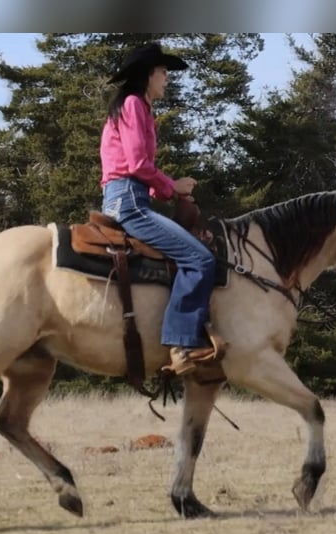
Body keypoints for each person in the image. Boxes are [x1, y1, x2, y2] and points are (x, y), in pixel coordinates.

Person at [100, 42, 216, 376]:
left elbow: (131, 166)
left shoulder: (132, 106)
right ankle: (181, 344)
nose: (167, 78)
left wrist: (168, 191)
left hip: (127, 196)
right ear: (147, 75)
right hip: (131, 203)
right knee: (200, 258)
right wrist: (172, 186)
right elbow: (136, 163)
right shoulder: (135, 104)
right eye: (163, 72)